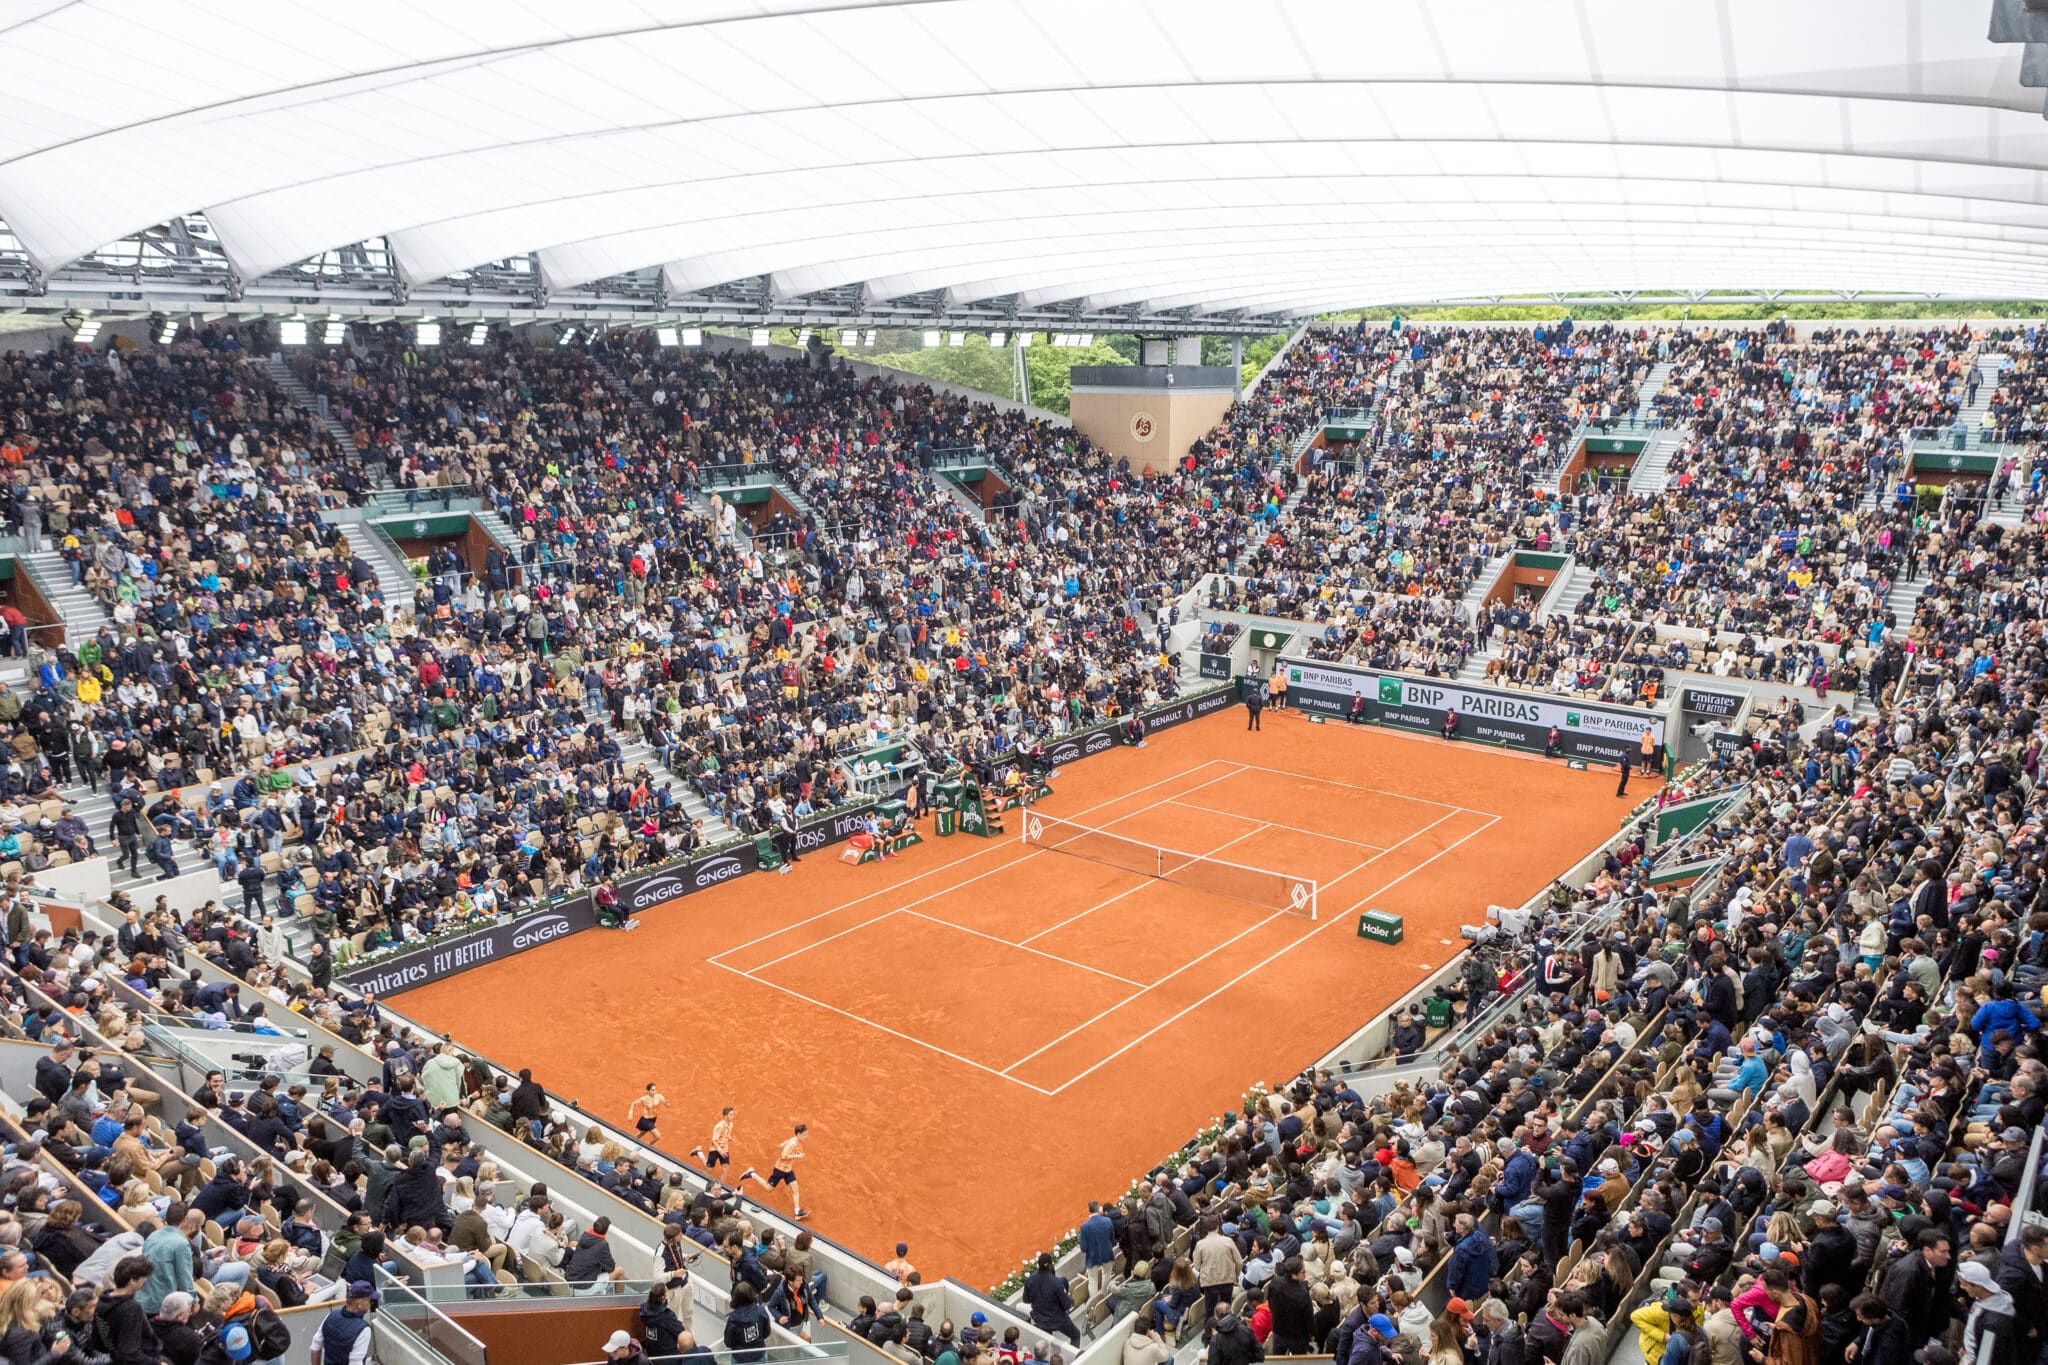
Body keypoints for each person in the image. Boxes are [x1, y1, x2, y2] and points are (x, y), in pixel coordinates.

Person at [741, 1123, 810, 1220]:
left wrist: (783, 1144)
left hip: (788, 1170)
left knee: (795, 1189)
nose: (806, 1137)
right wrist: (796, 1156)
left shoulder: (795, 1140)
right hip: (780, 1170)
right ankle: (752, 1174)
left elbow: (787, 1141)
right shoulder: (793, 1143)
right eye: (804, 1135)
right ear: (798, 1134)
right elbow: (783, 1156)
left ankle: (797, 1212)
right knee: (769, 1188)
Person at [309, 1282, 378, 1365]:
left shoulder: (331, 1315)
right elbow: (356, 1362)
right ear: (360, 1302)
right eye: (370, 1301)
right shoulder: (364, 1329)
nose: (371, 1305)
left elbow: (315, 1345)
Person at [1022, 1253, 1081, 1347]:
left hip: (1039, 1319)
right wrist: (1070, 1300)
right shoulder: (1056, 1283)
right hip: (1057, 1321)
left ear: (1039, 1265)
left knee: (1046, 1339)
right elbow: (1066, 1306)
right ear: (1050, 1265)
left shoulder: (1030, 1280)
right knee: (1076, 1335)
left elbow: (1025, 1300)